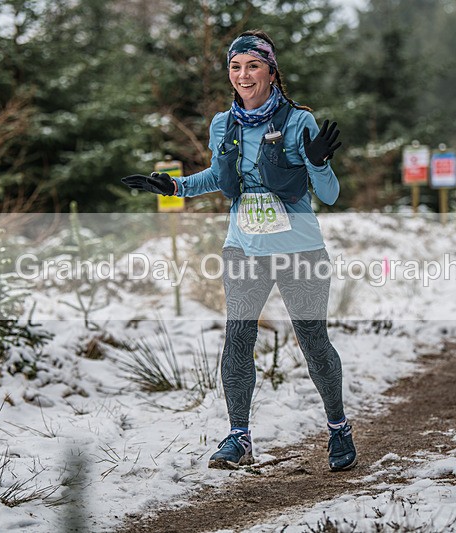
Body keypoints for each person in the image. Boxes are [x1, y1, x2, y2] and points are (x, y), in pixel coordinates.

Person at [121, 30, 357, 472]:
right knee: (237, 337)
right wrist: (174, 186)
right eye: (235, 67)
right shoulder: (222, 124)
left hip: (300, 251)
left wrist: (319, 162)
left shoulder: (299, 122)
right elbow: (217, 175)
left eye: (252, 65)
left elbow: (329, 195)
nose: (243, 75)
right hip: (243, 249)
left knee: (313, 341)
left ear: (271, 70)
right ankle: (238, 436)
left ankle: (339, 428)